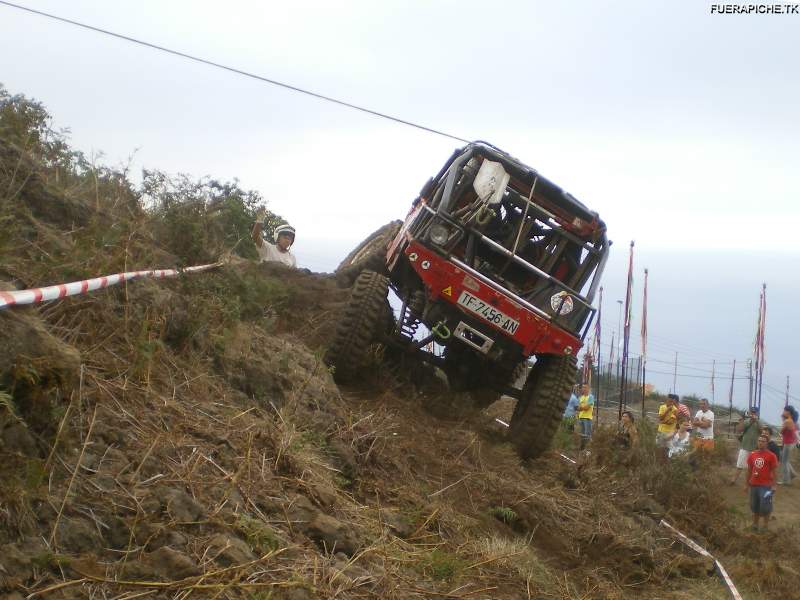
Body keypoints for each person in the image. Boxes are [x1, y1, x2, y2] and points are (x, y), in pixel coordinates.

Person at [746, 434, 778, 531]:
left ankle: (765, 526)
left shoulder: (771, 456)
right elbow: (749, 470)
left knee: (765, 506)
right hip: (754, 484)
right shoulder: (752, 454)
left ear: (767, 443)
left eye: (763, 441)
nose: (760, 443)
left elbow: (775, 472)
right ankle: (755, 525)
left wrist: (774, 485)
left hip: (766, 486)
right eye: (759, 441)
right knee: (755, 505)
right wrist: (746, 484)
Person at [730, 409, 761, 485]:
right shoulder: (746, 421)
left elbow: (762, 431)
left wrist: (756, 421)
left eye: (755, 413)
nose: (753, 414)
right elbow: (739, 430)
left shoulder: (759, 423)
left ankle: (750, 482)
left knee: (753, 467)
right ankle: (733, 480)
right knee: (739, 465)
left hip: (755, 448)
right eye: (752, 412)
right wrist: (744, 421)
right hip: (745, 447)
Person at [778, 406, 798, 485]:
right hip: (791, 442)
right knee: (784, 459)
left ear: (788, 412)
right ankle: (792, 474)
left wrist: (783, 425)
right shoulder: (791, 421)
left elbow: (781, 431)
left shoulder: (787, 421)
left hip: (788, 443)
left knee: (784, 461)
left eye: (784, 410)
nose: (783, 411)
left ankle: (786, 480)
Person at [576, 383, 594, 450]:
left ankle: (588, 449)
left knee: (587, 435)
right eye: (583, 387)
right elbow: (577, 408)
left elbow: (587, 408)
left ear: (589, 388)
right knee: (582, 435)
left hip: (587, 418)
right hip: (581, 418)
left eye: (585, 387)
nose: (584, 389)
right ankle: (582, 449)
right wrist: (582, 407)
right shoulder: (580, 397)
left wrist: (581, 407)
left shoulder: (591, 397)